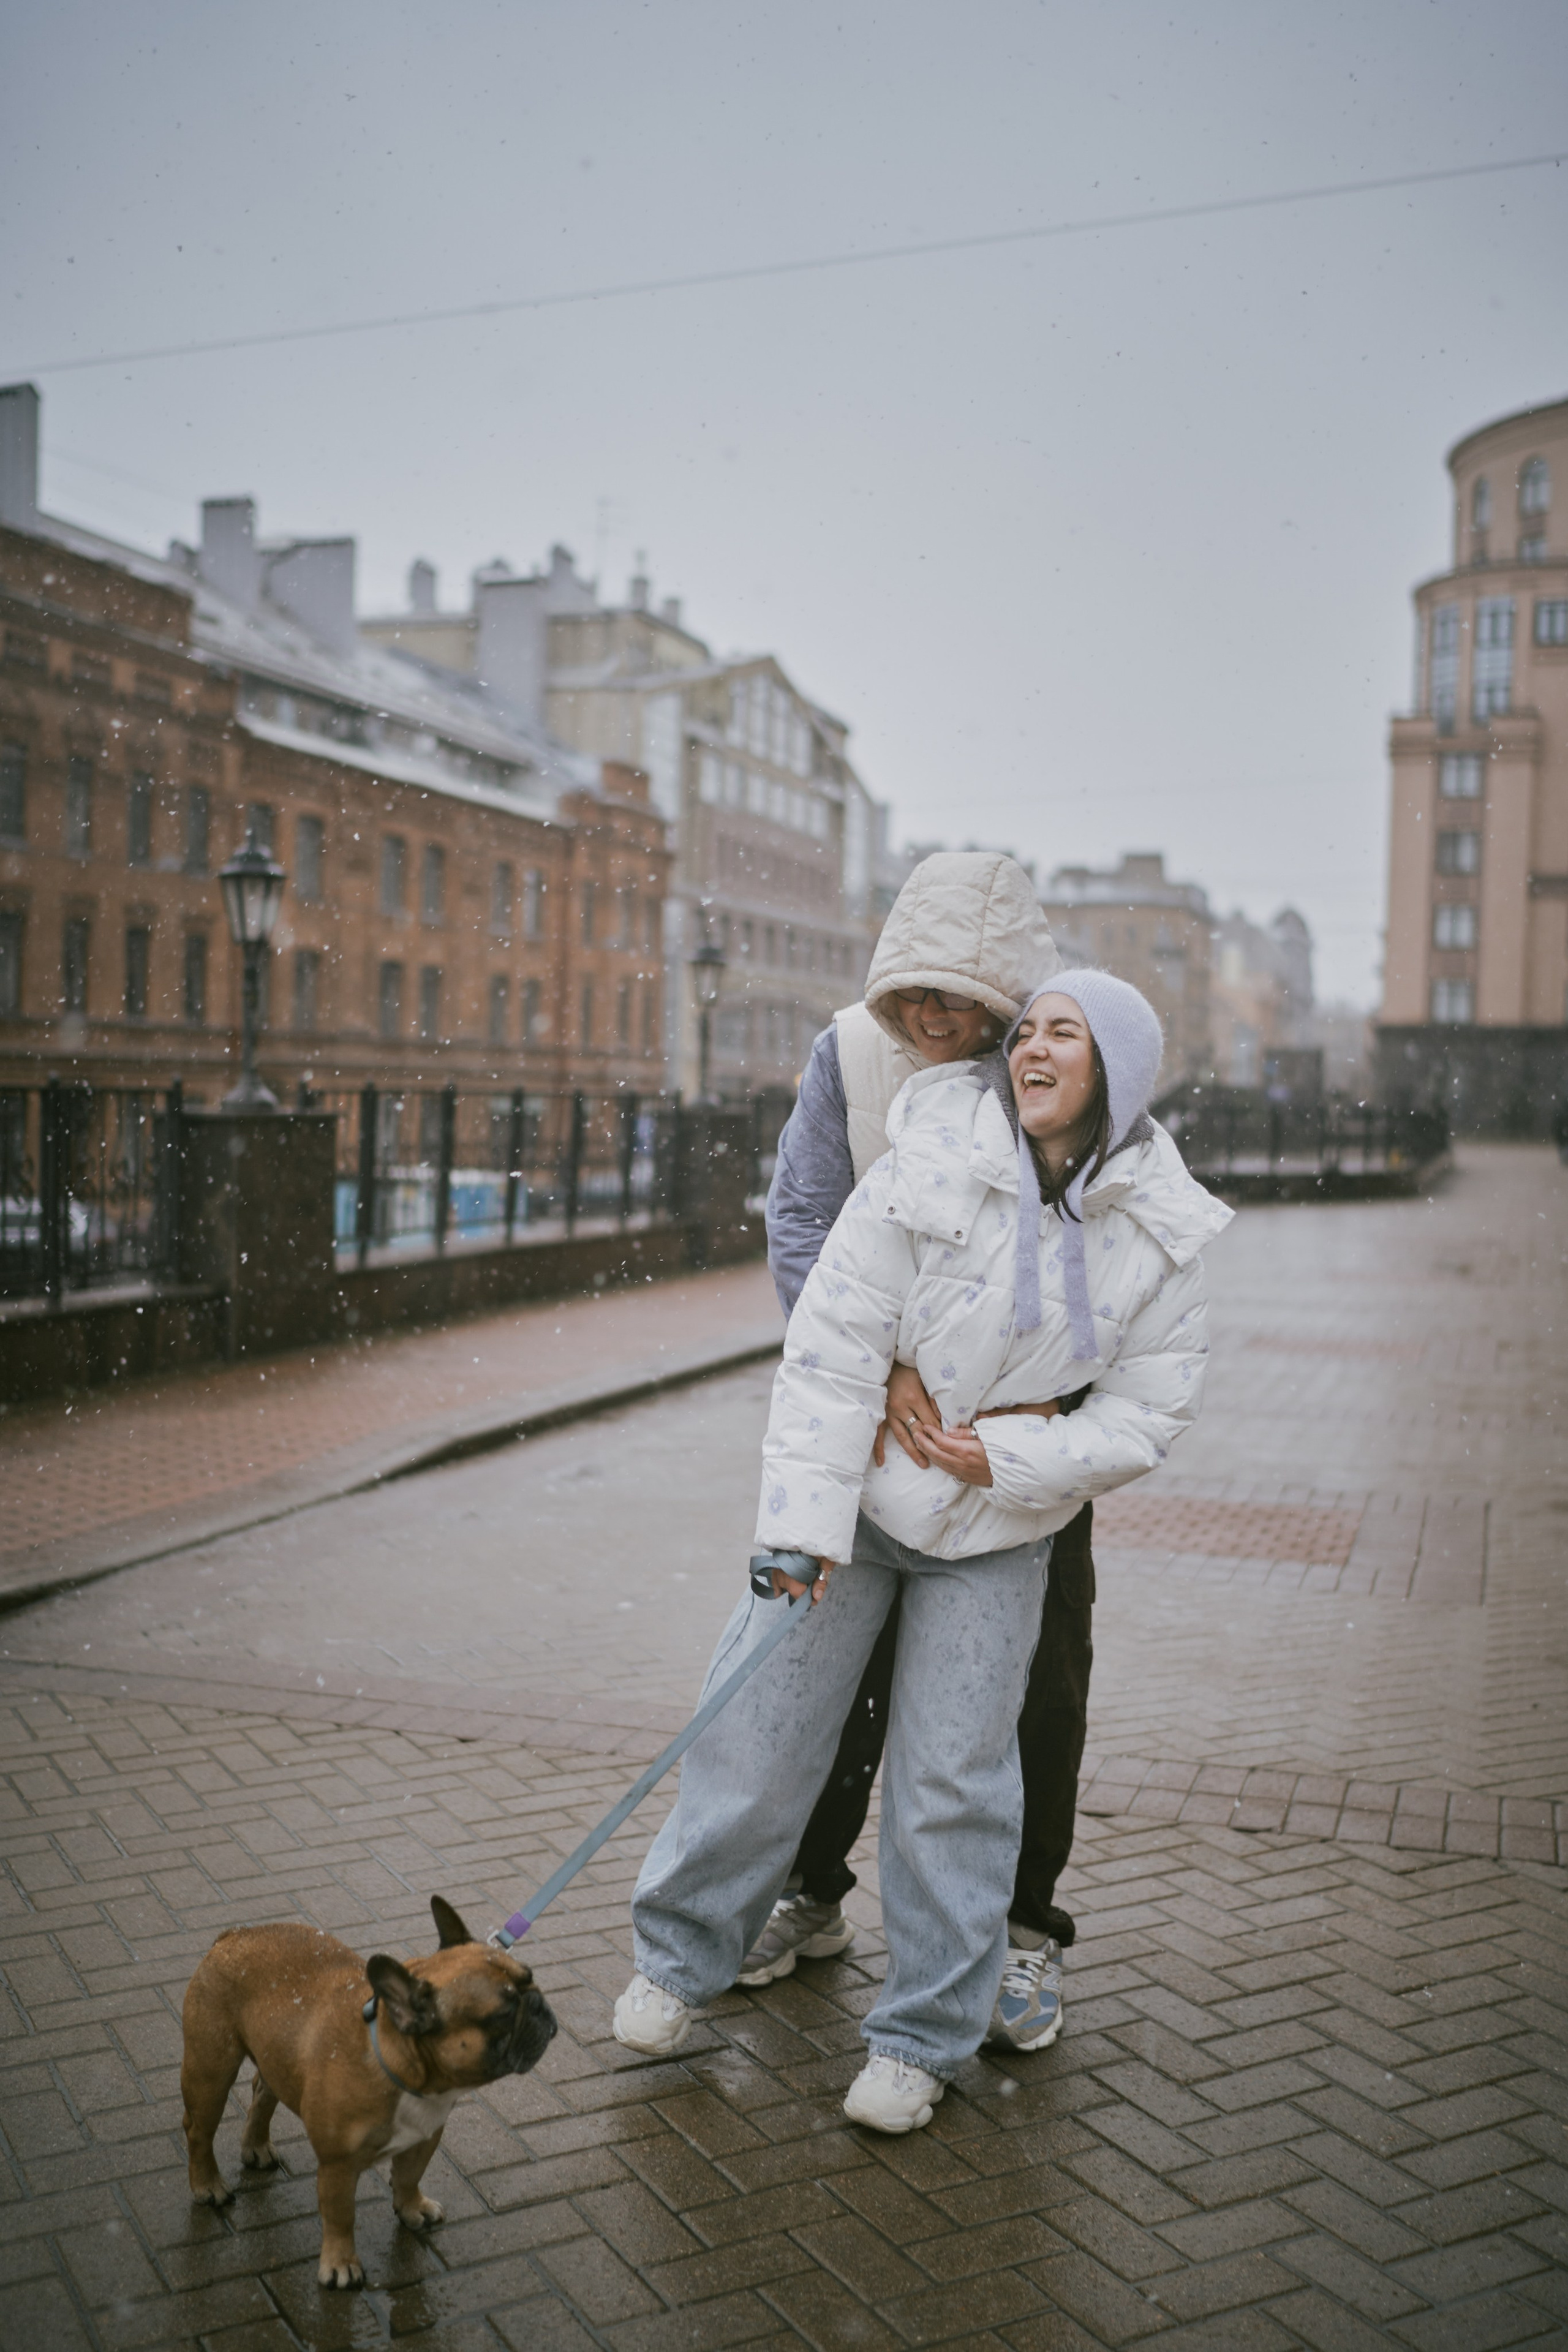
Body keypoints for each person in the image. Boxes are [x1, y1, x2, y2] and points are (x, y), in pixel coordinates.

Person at [614, 970, 1232, 2133]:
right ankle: (677, 1962)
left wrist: (1008, 1459)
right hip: (855, 1511)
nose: (1034, 1050)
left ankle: (922, 2039)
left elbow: (1151, 1412)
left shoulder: (1161, 1229)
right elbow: (834, 1349)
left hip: (1000, 1534)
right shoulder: (925, 1159)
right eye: (1030, 1030)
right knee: (756, 1738)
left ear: (1122, 1074)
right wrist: (796, 1530)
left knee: (955, 1785)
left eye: (1068, 1035)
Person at [750, 850, 1096, 2056]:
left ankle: (1015, 1932)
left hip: (1017, 1440)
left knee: (1027, 1692)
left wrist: (1024, 1405)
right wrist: (879, 1364)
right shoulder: (848, 1051)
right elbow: (803, 1212)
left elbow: (1102, 1253)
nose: (932, 1020)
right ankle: (806, 1894)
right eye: (915, 993)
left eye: (962, 997)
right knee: (827, 1675)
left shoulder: (1066, 1059)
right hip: (874, 1428)